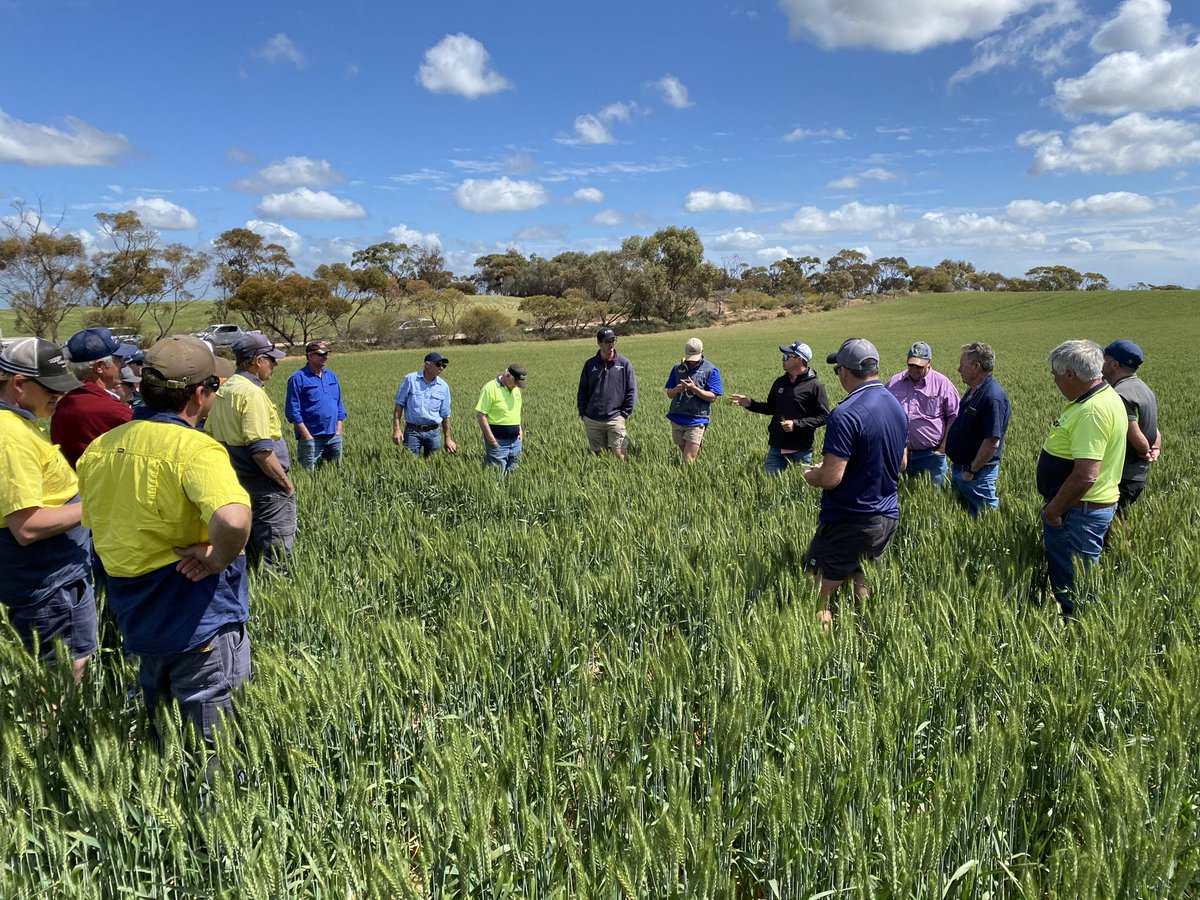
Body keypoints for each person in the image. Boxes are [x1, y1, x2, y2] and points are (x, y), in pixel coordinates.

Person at [77, 335, 253, 751]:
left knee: (164, 729)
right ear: (198, 394)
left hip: (137, 614)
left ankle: (168, 801)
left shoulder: (100, 449)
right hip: (195, 610)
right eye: (213, 386)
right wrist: (217, 558)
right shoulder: (194, 448)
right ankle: (213, 811)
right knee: (215, 741)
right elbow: (233, 518)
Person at [0, 338, 96, 679]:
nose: (60, 396)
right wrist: (98, 507)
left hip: (56, 578)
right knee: (62, 677)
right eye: (51, 388)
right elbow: (26, 526)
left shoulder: (20, 424)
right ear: (19, 384)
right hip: (49, 584)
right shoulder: (10, 437)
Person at [802, 338, 907, 628]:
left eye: (837, 371)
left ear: (845, 372)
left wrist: (812, 475)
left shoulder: (845, 413)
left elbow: (832, 478)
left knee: (814, 596)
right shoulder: (895, 406)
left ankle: (816, 655)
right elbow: (901, 462)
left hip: (849, 519)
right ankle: (866, 645)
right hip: (885, 518)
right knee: (863, 582)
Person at [1037, 340, 1127, 617]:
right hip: (1084, 510)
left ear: (1070, 374)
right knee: (1080, 582)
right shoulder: (1104, 397)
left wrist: (1054, 512)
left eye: (1055, 374)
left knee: (1074, 588)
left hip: (1078, 513)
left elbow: (1086, 475)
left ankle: (1077, 634)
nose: (1054, 380)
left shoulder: (1092, 411)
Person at [204, 333, 295, 571]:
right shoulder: (251, 393)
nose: (274, 364)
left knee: (249, 548)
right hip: (265, 484)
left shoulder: (225, 390)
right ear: (257, 360)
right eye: (271, 359)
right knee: (275, 552)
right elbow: (261, 450)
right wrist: (285, 484)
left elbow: (211, 436)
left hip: (237, 483)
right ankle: (278, 594)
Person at [730, 340, 830, 474]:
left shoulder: (815, 386)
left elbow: (824, 417)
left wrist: (796, 424)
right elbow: (771, 408)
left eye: (786, 356)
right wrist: (750, 404)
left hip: (801, 449)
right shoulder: (780, 382)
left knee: (799, 488)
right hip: (777, 446)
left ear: (799, 359)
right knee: (769, 485)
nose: (782, 360)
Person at [51, 327, 137, 467]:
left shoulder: (65, 402)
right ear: (100, 367)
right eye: (118, 359)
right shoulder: (111, 410)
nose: (123, 364)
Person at [945, 342, 1011, 518]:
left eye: (962, 365)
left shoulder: (992, 396)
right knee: (962, 519)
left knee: (985, 520)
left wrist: (971, 471)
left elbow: (992, 441)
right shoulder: (973, 391)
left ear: (976, 367)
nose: (959, 369)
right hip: (962, 470)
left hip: (977, 475)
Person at [885, 341, 959, 487]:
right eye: (911, 364)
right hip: (899, 455)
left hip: (931, 456)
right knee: (900, 498)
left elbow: (954, 417)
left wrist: (942, 449)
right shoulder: (894, 383)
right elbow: (884, 415)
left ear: (929, 363)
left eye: (919, 366)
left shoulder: (942, 384)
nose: (914, 369)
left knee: (936, 499)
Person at [1101, 339, 1160, 513]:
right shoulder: (1144, 388)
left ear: (1114, 364)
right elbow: (1154, 427)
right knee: (1121, 522)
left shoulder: (1119, 394)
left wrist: (1144, 451)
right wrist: (1155, 447)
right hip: (1137, 475)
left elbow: (1133, 432)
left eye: (1103, 359)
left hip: (1124, 474)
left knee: (1112, 526)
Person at [285, 339, 347, 469]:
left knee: (335, 474)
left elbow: (339, 405)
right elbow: (292, 411)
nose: (325, 357)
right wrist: (307, 436)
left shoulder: (331, 376)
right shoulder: (298, 378)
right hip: (312, 438)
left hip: (333, 436)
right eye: (321, 354)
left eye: (326, 354)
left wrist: (338, 431)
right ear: (309, 356)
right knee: (309, 478)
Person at [577, 327, 637, 460]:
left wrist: (624, 413)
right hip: (593, 419)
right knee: (599, 457)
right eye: (607, 342)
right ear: (599, 343)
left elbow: (631, 390)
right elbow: (582, 390)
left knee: (619, 454)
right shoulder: (590, 365)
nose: (611, 345)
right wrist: (583, 414)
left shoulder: (624, 364)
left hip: (615, 417)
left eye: (613, 341)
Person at [665, 337, 723, 464]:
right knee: (686, 454)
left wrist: (694, 389)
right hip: (677, 417)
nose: (692, 362)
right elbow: (669, 393)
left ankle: (688, 481)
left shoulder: (711, 370)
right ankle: (696, 470)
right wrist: (676, 389)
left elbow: (712, 397)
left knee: (688, 458)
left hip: (697, 419)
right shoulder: (677, 368)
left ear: (702, 352)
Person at [392, 352, 456, 456]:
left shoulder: (443, 386)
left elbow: (446, 415)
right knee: (410, 465)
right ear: (427, 364)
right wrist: (396, 429)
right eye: (438, 364)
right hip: (412, 431)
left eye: (443, 366)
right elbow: (399, 405)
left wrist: (448, 439)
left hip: (434, 433)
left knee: (433, 466)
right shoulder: (410, 380)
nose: (441, 368)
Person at [476, 364, 525, 473]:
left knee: (514, 476)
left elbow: (516, 412)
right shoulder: (490, 388)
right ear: (507, 376)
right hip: (499, 442)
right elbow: (481, 415)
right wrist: (491, 439)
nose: (517, 385)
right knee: (496, 477)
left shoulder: (516, 390)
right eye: (516, 382)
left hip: (516, 442)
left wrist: (520, 431)